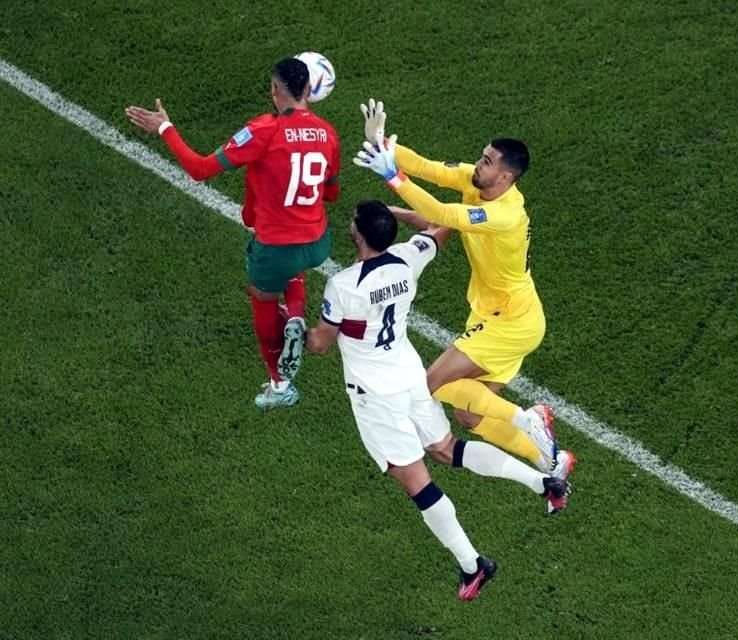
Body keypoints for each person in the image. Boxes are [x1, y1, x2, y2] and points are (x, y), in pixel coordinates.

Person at [305, 200, 569, 600]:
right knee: (446, 449)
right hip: (410, 376)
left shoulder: (344, 285)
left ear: (357, 233)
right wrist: (404, 215)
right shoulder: (406, 260)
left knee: (416, 481)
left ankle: (472, 565)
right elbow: (441, 226)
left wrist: (289, 325)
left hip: (377, 397)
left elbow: (320, 344)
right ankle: (543, 482)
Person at [353, 102, 575, 510]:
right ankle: (553, 460)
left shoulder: (504, 214)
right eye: (481, 156)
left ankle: (528, 418)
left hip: (509, 322)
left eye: (487, 161)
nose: (478, 163)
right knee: (469, 416)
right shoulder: (477, 182)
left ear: (506, 177)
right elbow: (429, 167)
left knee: (430, 383)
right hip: (508, 316)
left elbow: (439, 214)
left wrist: (391, 177)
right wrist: (381, 143)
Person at [125, 57, 341, 410]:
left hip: (274, 249)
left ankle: (279, 382)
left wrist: (165, 128)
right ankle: (298, 314)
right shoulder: (329, 134)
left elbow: (199, 169)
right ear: (308, 91)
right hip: (318, 244)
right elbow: (331, 193)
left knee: (263, 298)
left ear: (274, 89)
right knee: (294, 259)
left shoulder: (263, 130)